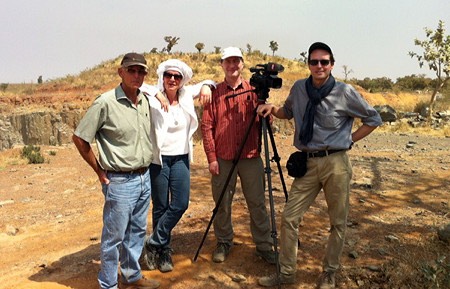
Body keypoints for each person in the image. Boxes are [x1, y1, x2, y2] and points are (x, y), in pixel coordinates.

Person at [256, 42, 382, 288]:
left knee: (337, 222)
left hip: (336, 163)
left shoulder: (345, 92)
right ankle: (287, 274)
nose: (319, 66)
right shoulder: (300, 88)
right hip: (308, 163)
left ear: (332, 65)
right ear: (309, 65)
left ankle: (329, 273)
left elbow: (373, 118)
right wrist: (272, 109)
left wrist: (349, 140)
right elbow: (288, 112)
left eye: (324, 62)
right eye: (314, 62)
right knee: (289, 217)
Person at [72, 52, 160, 289]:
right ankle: (108, 284)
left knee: (137, 232)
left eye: (141, 71)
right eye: (131, 70)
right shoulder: (105, 102)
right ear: (121, 72)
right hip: (119, 181)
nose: (137, 75)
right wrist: (99, 171)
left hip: (143, 177)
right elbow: (80, 138)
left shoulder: (144, 101)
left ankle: (132, 275)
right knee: (114, 237)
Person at [201, 47, 276, 265]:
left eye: (236, 61)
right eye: (228, 62)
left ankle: (264, 245)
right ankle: (224, 242)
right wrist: (212, 158)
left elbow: (265, 122)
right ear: (222, 65)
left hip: (251, 156)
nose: (232, 65)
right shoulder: (214, 92)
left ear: (242, 63)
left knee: (257, 203)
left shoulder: (254, 90)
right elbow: (207, 126)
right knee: (222, 203)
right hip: (223, 158)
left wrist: (267, 113)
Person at [139, 59, 214, 273]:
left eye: (177, 76)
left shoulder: (186, 95)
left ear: (182, 80)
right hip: (159, 160)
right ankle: (163, 251)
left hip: (180, 158)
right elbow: (138, 84)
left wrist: (207, 86)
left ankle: (153, 240)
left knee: (180, 203)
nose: (172, 79)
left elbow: (209, 82)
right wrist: (157, 93)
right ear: (162, 77)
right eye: (168, 75)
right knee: (161, 206)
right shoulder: (152, 95)